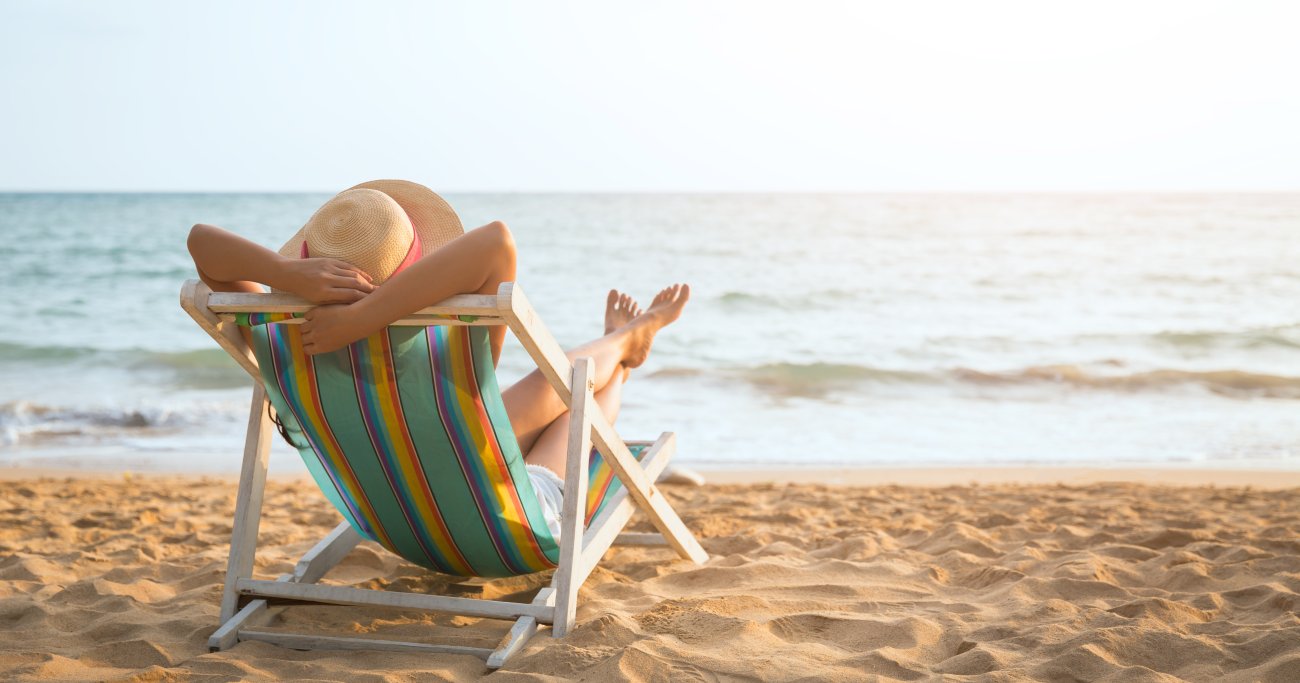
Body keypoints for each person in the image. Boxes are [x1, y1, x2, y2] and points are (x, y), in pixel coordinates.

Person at [186, 179, 689, 538]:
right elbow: (497, 241)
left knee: (555, 385)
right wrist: (367, 318)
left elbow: (201, 243)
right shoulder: (438, 356)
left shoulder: (282, 344)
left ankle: (625, 340)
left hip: (396, 517)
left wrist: (287, 275)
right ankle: (626, 345)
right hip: (499, 518)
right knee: (578, 393)